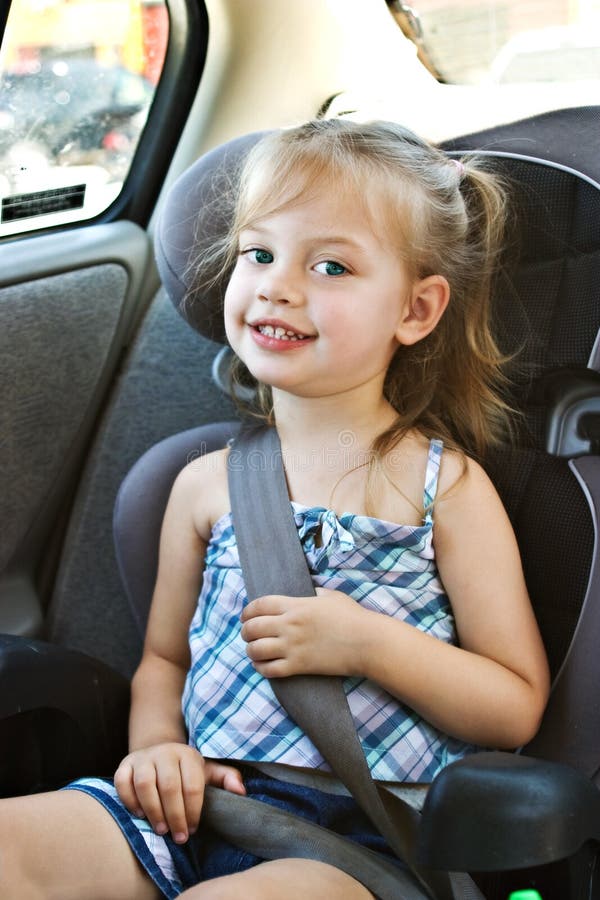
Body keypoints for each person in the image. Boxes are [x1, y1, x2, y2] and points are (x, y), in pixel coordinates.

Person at [0, 119, 550, 900]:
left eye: (330, 265)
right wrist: (158, 748)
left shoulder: (445, 489)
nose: (279, 285)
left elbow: (514, 706)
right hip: (195, 808)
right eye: (259, 254)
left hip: (355, 845)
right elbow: (165, 660)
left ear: (417, 311)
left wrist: (364, 643)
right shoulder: (203, 484)